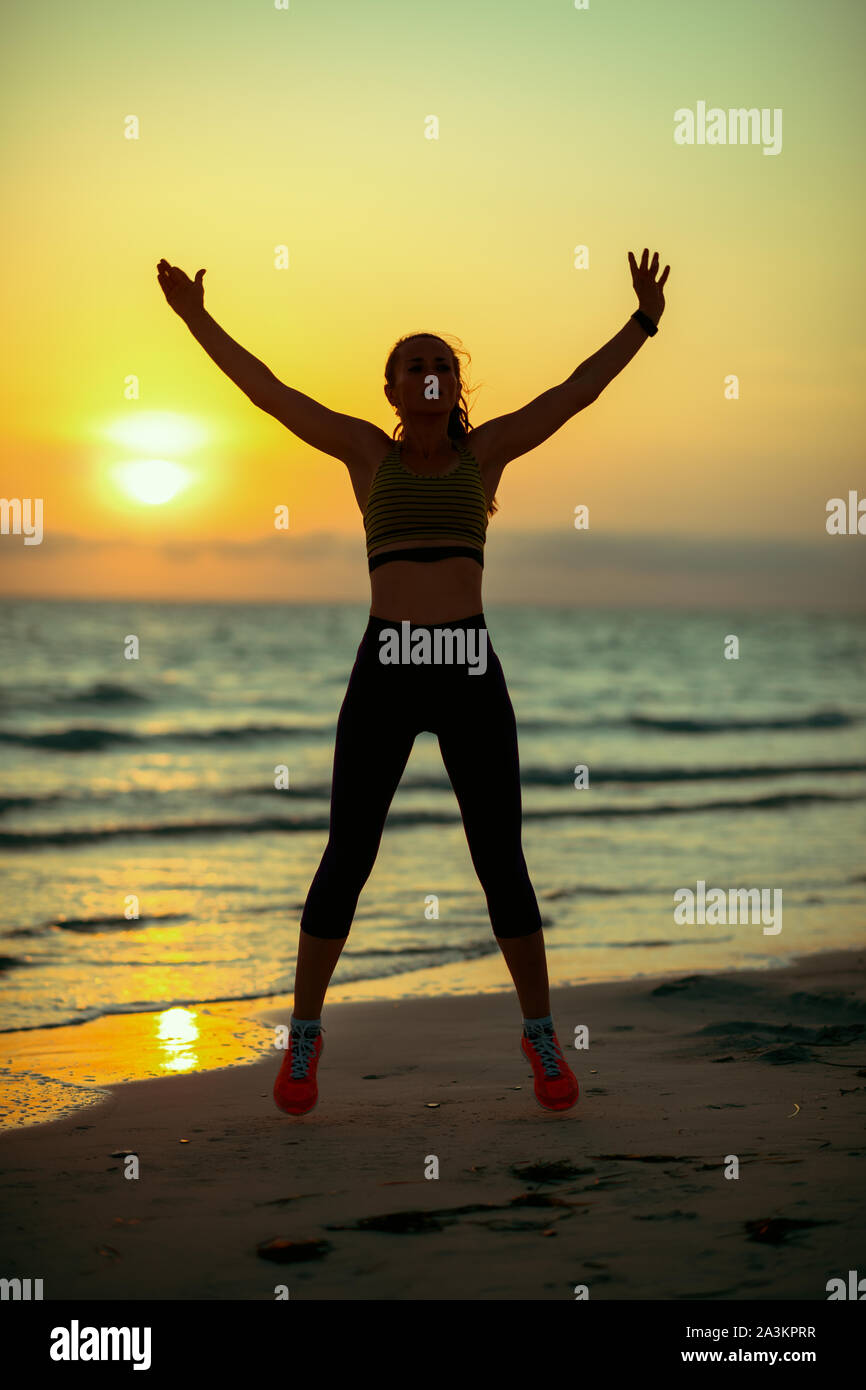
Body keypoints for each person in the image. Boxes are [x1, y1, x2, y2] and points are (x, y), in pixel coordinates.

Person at [157, 249, 670, 1116]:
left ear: (453, 386)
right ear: (392, 391)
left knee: (499, 859)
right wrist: (195, 318)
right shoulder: (365, 454)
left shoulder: (489, 452)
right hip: (388, 669)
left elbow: (575, 392)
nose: (428, 375)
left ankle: (542, 1040)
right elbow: (269, 392)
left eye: (442, 364)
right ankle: (305, 1038)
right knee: (347, 856)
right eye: (413, 366)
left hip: (467, 668)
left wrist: (644, 321)